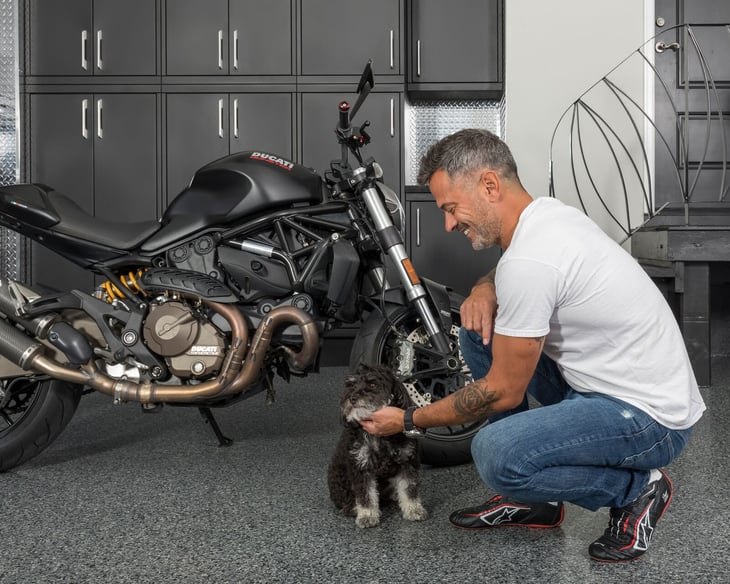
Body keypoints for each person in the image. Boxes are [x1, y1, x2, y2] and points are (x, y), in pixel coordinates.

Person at [359, 128, 706, 562]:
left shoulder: (531, 259)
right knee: (476, 329)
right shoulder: (546, 217)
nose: (449, 224)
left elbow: (504, 391)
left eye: (451, 208)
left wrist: (409, 419)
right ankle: (535, 502)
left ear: (489, 185)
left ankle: (639, 489)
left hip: (652, 420)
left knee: (496, 454)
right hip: (607, 386)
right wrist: (485, 288)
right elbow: (513, 270)